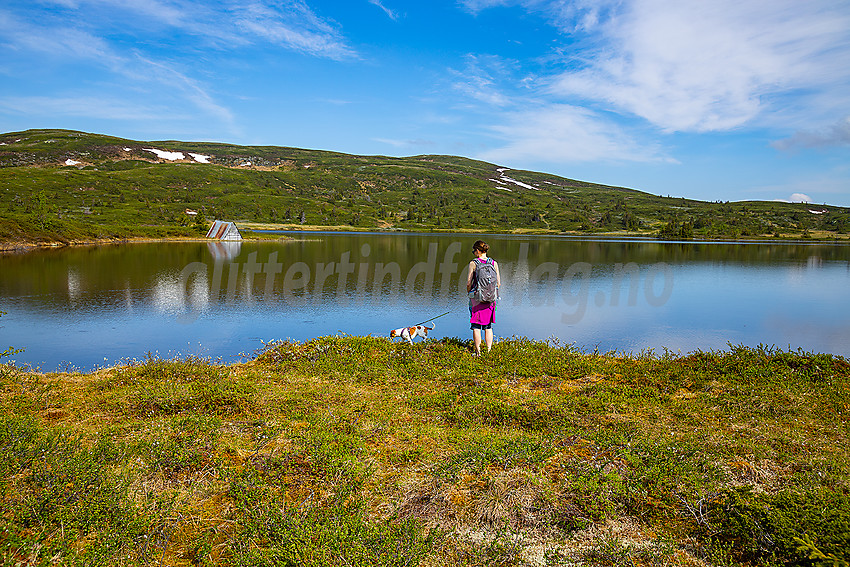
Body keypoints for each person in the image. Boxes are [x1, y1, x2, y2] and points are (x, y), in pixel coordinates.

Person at [466, 240, 500, 355]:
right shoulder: (493, 263)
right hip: (491, 298)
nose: (473, 253)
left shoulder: (473, 263)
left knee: (476, 325)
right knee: (488, 326)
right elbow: (498, 283)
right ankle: (489, 351)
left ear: (478, 251)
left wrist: (469, 293)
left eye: (474, 251)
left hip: (476, 298)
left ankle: (478, 352)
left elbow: (468, 283)